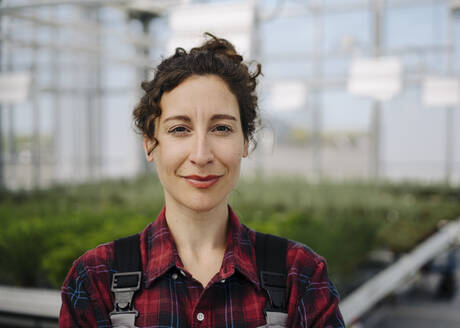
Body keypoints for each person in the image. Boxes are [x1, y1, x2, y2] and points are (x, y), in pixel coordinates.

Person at [59, 33, 345, 328]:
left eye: (221, 128)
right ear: (149, 144)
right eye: (180, 129)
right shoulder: (95, 279)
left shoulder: (299, 276)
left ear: (245, 142)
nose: (201, 155)